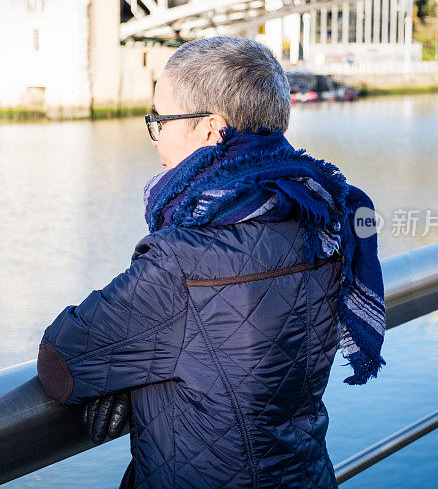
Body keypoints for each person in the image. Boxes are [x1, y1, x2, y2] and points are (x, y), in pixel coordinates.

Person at [37, 36, 386, 488]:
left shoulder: (182, 259)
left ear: (210, 128)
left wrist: (130, 379)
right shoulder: (321, 216)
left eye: (160, 119)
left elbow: (61, 364)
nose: (156, 133)